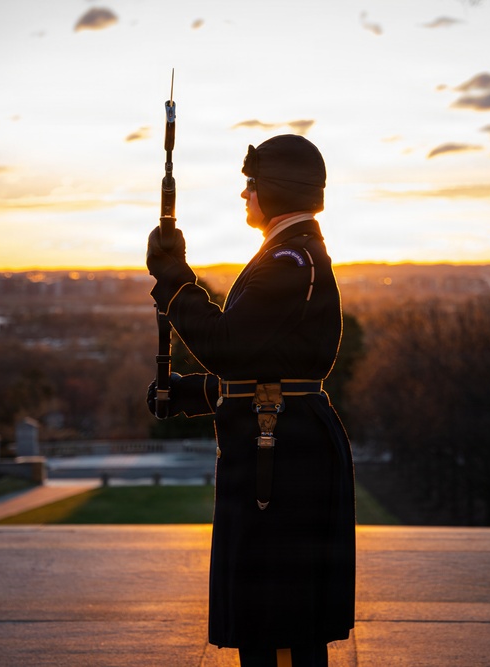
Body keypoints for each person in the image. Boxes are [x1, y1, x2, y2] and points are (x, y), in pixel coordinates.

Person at [145, 134, 355, 667]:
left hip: (285, 458)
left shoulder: (289, 260)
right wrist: (191, 393)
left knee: (280, 627)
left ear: (276, 190)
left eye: (251, 184)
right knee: (267, 623)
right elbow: (265, 369)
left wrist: (175, 282)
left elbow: (228, 345)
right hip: (279, 448)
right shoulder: (289, 256)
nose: (244, 195)